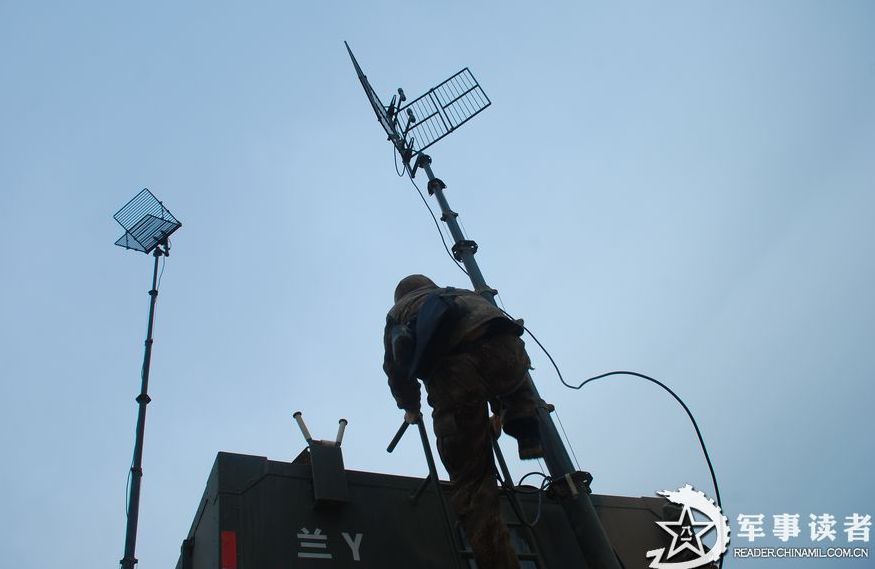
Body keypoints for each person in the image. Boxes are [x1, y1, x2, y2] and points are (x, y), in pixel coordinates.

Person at [382, 274, 542, 569]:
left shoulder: (399, 312)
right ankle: (522, 420)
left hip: (458, 374)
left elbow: (397, 370)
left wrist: (411, 408)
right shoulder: (461, 294)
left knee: (472, 486)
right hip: (510, 357)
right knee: (506, 379)